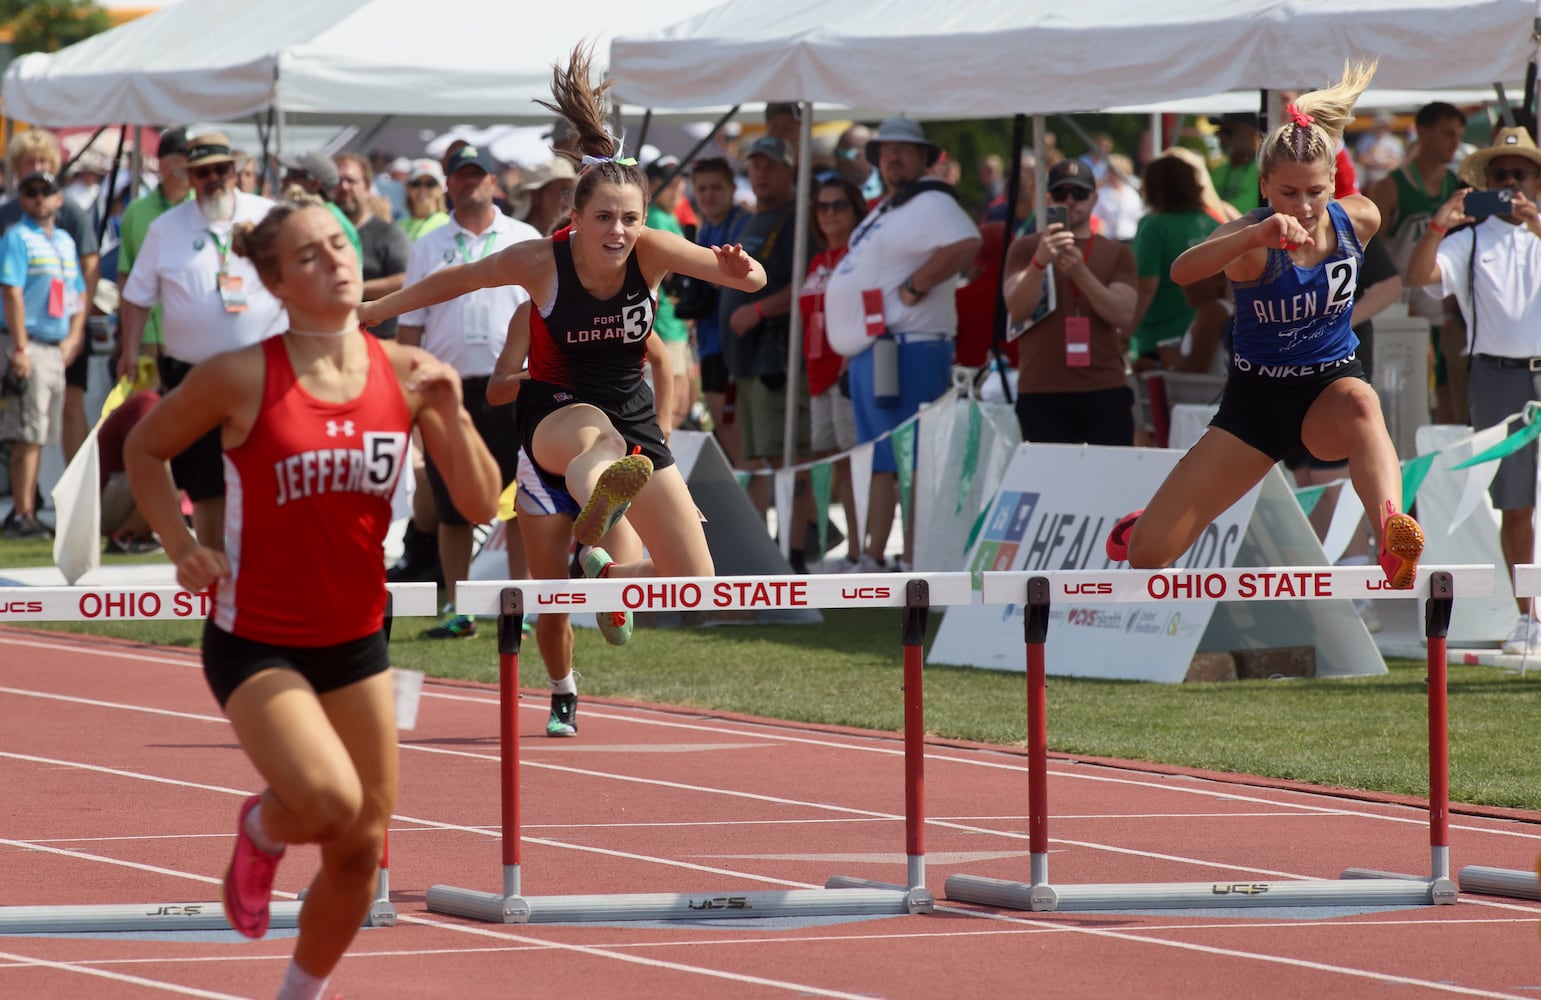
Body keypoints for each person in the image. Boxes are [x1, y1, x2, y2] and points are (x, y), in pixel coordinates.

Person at [123, 193, 499, 1000]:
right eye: (307, 256)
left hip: (358, 640)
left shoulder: (407, 376)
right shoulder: (241, 375)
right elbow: (144, 446)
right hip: (257, 639)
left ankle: (299, 994)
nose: (334, 260)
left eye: (339, 243)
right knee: (327, 801)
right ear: (274, 284)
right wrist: (183, 547)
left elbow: (475, 504)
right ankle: (260, 828)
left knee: (361, 848)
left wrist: (451, 413)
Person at [358, 43, 765, 735]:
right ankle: (565, 675)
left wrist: (741, 268)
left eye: (630, 219)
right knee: (589, 464)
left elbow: (746, 282)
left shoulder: (653, 251)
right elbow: (449, 283)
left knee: (700, 586)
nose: (618, 232)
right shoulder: (536, 263)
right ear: (575, 218)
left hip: (633, 418)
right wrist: (365, 316)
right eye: (604, 218)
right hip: (555, 413)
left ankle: (606, 575)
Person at [1111, 62, 1425, 591]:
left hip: (1329, 390)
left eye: (1314, 193)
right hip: (1255, 407)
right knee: (1147, 555)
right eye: (1286, 193)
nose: (1301, 207)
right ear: (1264, 187)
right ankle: (1148, 521)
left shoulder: (1361, 218)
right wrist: (1252, 239)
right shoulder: (1253, 232)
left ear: (1332, 185)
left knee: (1362, 401)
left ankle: (1393, 530)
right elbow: (1181, 270)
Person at [1404, 126, 1541, 653]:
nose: (1510, 183)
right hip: (1497, 374)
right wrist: (1438, 227)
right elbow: (1420, 277)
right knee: (1515, 502)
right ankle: (1529, 615)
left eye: (1519, 174)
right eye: (1500, 175)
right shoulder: (1471, 238)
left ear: (1535, 180)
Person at [395, 143, 539, 640]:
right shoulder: (428, 246)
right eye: (461, 175)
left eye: (479, 175)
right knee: (454, 505)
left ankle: (518, 608)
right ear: (448, 184)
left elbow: (546, 317)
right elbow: (410, 325)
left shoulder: (524, 238)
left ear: (494, 183)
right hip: (448, 393)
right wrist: (406, 396)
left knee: (524, 503)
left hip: (516, 388)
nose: (470, 183)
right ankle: (460, 608)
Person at [824, 117, 981, 572]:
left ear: (924, 158)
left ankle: (914, 556)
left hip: (909, 347)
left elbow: (966, 243)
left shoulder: (933, 200)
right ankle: (874, 554)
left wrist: (915, 285)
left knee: (908, 457)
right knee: (882, 459)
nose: (893, 157)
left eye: (904, 150)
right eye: (885, 150)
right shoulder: (892, 206)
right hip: (878, 350)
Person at [118, 131, 286, 550]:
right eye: (203, 172)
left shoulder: (268, 216)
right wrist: (128, 350)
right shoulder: (164, 228)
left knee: (266, 471)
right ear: (190, 177)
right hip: (194, 374)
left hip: (263, 368)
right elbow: (137, 297)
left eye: (221, 169)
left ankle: (263, 562)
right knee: (205, 482)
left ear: (236, 171)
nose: (215, 179)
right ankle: (214, 571)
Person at [1002, 159, 1138, 445]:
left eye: (1078, 193)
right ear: (1048, 198)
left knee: (1106, 482)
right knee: (1047, 487)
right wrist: (1039, 263)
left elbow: (1122, 314)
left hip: (1104, 388)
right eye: (1061, 193)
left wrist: (1081, 274)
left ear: (1094, 198)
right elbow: (1017, 309)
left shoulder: (1117, 252)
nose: (1070, 201)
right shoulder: (1025, 248)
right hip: (1041, 391)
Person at [0, 130, 100, 468]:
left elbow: (89, 268)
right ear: (17, 166)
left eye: (44, 161)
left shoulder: (69, 211)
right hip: (21, 333)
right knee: (25, 416)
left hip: (63, 328)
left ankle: (79, 486)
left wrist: (77, 328)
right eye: (31, 161)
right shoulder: (8, 215)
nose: (37, 168)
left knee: (72, 405)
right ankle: (27, 499)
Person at [1367, 102, 1469, 424]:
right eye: (1447, 134)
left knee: (1451, 397)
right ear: (1422, 131)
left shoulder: (1460, 188)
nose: (1454, 142)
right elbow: (1370, 250)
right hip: (1404, 307)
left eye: (1459, 135)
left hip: (1449, 307)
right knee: (1409, 404)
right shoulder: (1392, 186)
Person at [0, 169, 86, 539]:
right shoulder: (17, 237)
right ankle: (23, 514)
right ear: (22, 200)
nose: (38, 198)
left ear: (58, 198)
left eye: (44, 191)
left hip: (55, 346)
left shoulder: (65, 240)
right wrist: (19, 347)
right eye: (30, 192)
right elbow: (11, 291)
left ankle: (29, 511)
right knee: (27, 433)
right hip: (29, 344)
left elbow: (79, 292)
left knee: (43, 432)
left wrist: (73, 338)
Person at [800, 175, 866, 571]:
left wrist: (846, 366)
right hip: (816, 374)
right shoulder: (817, 260)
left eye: (838, 205)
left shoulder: (857, 256)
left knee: (852, 462)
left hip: (846, 374)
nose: (828, 214)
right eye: (822, 207)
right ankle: (847, 546)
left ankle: (861, 549)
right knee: (830, 464)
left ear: (856, 210)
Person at [1129, 154, 1223, 369]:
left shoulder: (1155, 226)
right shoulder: (1210, 221)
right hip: (1203, 331)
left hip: (1158, 338)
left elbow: (1145, 286)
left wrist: (1126, 332)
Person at [688, 156, 749, 465]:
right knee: (726, 435)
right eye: (702, 189)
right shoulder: (704, 230)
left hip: (735, 346)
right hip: (711, 341)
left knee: (736, 438)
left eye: (716, 188)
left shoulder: (742, 225)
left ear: (732, 189)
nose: (708, 196)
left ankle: (753, 507)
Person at [118, 128, 192, 368]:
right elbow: (125, 277)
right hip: (149, 337)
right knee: (150, 405)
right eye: (180, 164)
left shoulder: (202, 210)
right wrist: (128, 341)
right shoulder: (136, 212)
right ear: (163, 166)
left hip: (195, 337)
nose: (187, 171)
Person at [333, 153, 411, 339]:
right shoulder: (323, 232)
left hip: (379, 341)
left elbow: (405, 279)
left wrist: (357, 287)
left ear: (368, 188)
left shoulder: (389, 233)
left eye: (351, 181)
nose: (344, 187)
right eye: (338, 181)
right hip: (332, 340)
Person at [1209, 112, 1263, 214]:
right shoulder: (1218, 171)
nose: (1221, 138)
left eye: (1228, 132)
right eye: (1219, 131)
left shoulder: (1265, 171)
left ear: (1252, 132)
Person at [511, 158, 578, 236]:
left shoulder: (571, 240)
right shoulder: (511, 236)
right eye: (564, 190)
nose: (571, 199)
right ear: (536, 195)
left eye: (572, 191)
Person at [397, 159, 450, 243]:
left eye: (430, 184)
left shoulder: (448, 225)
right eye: (416, 184)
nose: (423, 189)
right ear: (408, 187)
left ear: (441, 188)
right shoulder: (399, 226)